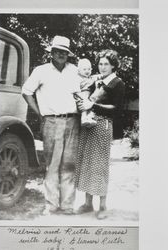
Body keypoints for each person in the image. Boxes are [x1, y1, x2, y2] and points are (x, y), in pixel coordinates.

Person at [22, 35, 80, 215]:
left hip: (72, 121)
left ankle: (68, 206)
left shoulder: (74, 71)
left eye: (64, 52)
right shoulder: (41, 71)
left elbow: (84, 93)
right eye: (58, 51)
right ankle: (52, 206)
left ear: (68, 54)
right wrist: (39, 114)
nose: (61, 55)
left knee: (69, 164)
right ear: (52, 53)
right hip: (51, 121)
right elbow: (26, 92)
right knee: (53, 165)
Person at [75, 49, 125, 219]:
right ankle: (88, 203)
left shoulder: (117, 83)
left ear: (113, 66)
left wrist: (92, 106)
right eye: (100, 64)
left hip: (103, 126)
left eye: (106, 64)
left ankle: (102, 206)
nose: (102, 67)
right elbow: (84, 94)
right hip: (88, 125)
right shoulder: (96, 80)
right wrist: (83, 103)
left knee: (100, 166)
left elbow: (116, 110)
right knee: (87, 163)